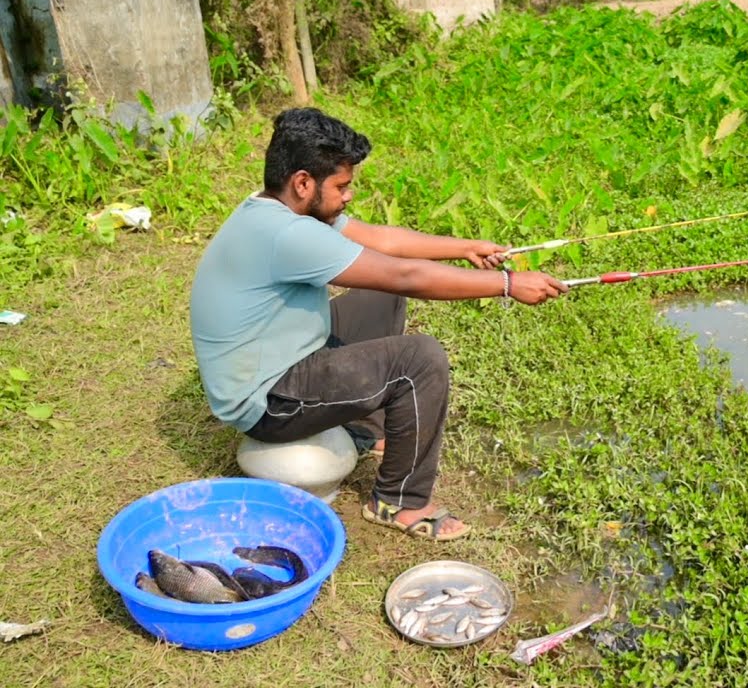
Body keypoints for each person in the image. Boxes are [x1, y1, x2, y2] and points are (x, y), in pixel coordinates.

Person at [190, 107, 568, 540]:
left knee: (382, 293)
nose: (349, 196)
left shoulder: (276, 209)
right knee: (418, 359)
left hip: (281, 350)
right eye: (342, 186)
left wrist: (466, 246)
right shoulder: (287, 235)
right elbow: (409, 275)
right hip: (267, 401)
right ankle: (399, 502)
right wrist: (506, 284)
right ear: (302, 182)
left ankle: (366, 430)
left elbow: (384, 242)